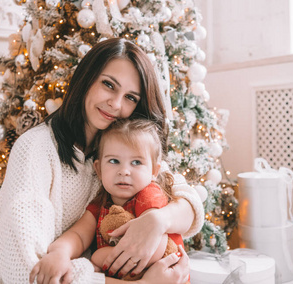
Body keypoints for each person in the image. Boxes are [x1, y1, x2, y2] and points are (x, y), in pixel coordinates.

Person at [0, 38, 204, 284]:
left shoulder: (125, 146)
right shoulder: (36, 149)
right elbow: (25, 271)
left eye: (131, 98)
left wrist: (158, 220)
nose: (116, 104)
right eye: (109, 85)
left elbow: (190, 203)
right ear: (86, 79)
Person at [30, 118, 186, 282]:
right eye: (114, 161)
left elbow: (155, 248)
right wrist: (60, 252)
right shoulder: (101, 203)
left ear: (154, 171)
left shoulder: (150, 195)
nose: (124, 171)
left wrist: (99, 258)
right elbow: (79, 235)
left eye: (136, 162)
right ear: (98, 169)